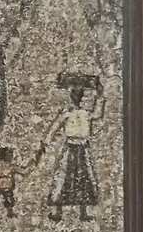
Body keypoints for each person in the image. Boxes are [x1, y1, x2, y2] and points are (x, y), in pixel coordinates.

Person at [43, 81, 105, 222]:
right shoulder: (67, 114)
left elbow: (97, 114)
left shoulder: (84, 114)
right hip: (70, 148)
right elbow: (55, 127)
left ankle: (83, 212)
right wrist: (47, 140)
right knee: (63, 178)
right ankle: (57, 211)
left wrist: (100, 95)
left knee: (84, 179)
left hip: (82, 149)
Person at [0, 145, 42, 218]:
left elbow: (23, 172)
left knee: (9, 200)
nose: (10, 157)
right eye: (8, 156)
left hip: (7, 187)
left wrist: (33, 162)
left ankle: (10, 212)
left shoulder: (11, 167)